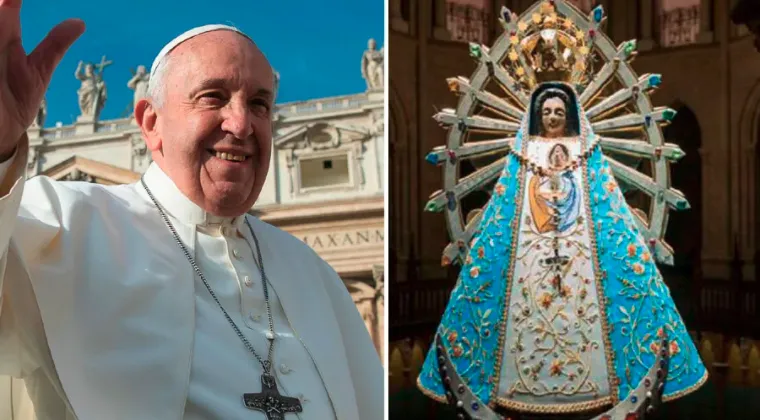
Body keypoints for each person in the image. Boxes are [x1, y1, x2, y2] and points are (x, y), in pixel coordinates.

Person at [0, 1, 383, 419]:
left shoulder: (312, 272)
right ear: (150, 122)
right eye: (213, 97)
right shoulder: (57, 225)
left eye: (259, 104)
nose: (240, 124)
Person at [417, 81, 707, 416]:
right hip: (529, 257)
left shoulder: (584, 152)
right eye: (547, 112)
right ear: (537, 117)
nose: (553, 118)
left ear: (568, 116)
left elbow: (604, 207)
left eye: (559, 112)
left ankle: (598, 381)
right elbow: (507, 211)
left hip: (580, 257)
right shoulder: (524, 154)